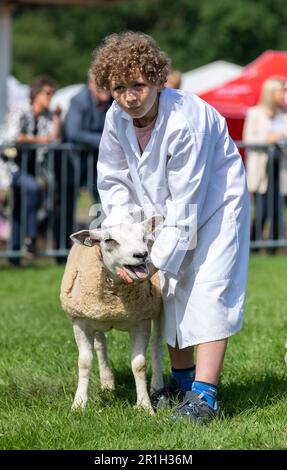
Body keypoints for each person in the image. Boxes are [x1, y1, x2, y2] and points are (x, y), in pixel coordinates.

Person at [90, 32, 250, 423]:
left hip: (214, 206)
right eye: (119, 88)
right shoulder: (117, 118)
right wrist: (128, 236)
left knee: (207, 289)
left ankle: (206, 398)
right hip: (161, 212)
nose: (130, 97)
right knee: (172, 293)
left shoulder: (187, 121)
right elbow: (113, 180)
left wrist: (149, 263)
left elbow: (186, 203)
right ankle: (182, 382)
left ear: (160, 80)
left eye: (139, 85)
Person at [0, 75, 61, 264]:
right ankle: (31, 237)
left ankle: (15, 255)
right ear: (36, 93)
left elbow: (54, 138)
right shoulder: (20, 109)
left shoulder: (47, 115)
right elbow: (11, 137)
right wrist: (38, 140)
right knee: (32, 189)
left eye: (53, 94)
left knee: (20, 207)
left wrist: (57, 117)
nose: (51, 97)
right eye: (47, 93)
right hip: (9, 165)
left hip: (32, 167)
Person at [243, 77, 287, 247]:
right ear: (270, 93)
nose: (283, 94)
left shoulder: (284, 115)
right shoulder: (255, 113)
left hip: (280, 167)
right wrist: (269, 139)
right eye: (280, 90)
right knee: (261, 210)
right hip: (262, 167)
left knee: (277, 211)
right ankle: (253, 245)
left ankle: (273, 247)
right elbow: (248, 139)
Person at [63, 72, 112, 202]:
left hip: (100, 161)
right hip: (73, 161)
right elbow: (73, 133)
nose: (106, 88)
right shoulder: (78, 100)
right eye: (101, 84)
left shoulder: (114, 101)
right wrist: (104, 140)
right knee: (66, 202)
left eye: (108, 84)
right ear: (90, 84)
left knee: (104, 199)